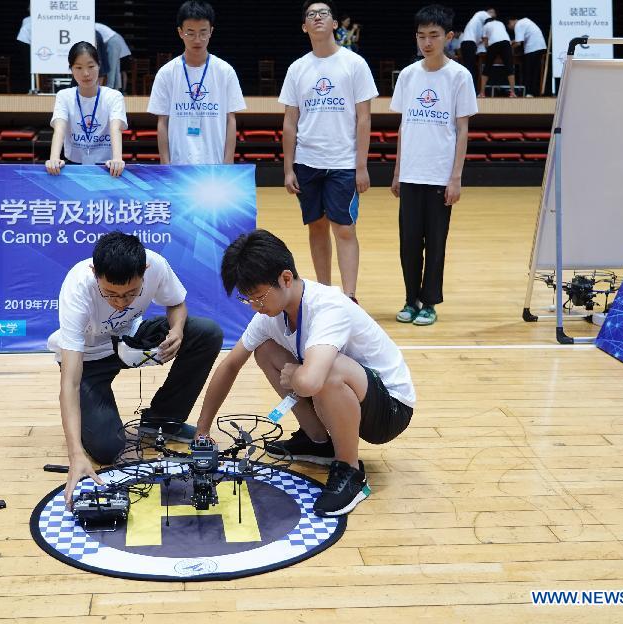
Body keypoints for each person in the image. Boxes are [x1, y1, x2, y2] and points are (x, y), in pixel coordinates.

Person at [195, 229, 415, 517]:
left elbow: (310, 382)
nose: (255, 307)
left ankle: (350, 471)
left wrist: (296, 375)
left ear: (286, 278)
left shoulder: (327, 306)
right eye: (247, 299)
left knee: (328, 370)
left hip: (389, 410)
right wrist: (202, 429)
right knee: (265, 350)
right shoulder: (270, 314)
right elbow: (230, 365)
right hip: (348, 397)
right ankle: (318, 441)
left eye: (259, 297)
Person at [49, 231, 224, 506]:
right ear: (95, 273)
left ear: (145, 270)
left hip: (131, 339)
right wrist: (75, 455)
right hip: (89, 356)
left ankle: (163, 421)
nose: (121, 302)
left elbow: (176, 303)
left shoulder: (157, 265)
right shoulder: (77, 288)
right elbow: (69, 383)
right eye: (110, 294)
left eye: (131, 293)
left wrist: (177, 330)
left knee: (206, 332)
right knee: (108, 449)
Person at [280, 1, 378, 304]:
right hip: (307, 162)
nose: (317, 17)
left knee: (344, 228)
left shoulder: (354, 64)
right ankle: (324, 293)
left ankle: (349, 297)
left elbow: (364, 118)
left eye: (323, 13)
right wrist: (288, 168)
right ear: (304, 27)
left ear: (335, 23)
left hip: (343, 163)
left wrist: (361, 166)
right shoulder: (297, 68)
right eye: (311, 15)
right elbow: (290, 122)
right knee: (317, 227)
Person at [390, 4, 478, 326]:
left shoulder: (459, 76)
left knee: (436, 243)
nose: (427, 42)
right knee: (409, 243)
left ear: (448, 37)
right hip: (411, 173)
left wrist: (456, 178)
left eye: (434, 35)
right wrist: (397, 172)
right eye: (422, 36)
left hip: (440, 174)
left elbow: (462, 130)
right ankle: (410, 298)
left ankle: (429, 302)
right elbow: (403, 126)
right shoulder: (408, 75)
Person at [147, 1, 246, 165]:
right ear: (180, 32)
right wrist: (166, 166)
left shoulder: (225, 72)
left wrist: (227, 165)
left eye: (203, 33)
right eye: (190, 33)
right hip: (178, 166)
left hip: (215, 166)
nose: (197, 40)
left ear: (211, 31)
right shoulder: (166, 74)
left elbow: (231, 120)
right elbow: (162, 122)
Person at [46, 42, 127, 177]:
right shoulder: (64, 96)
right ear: (71, 69)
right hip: (73, 166)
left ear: (99, 66)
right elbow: (59, 127)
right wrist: (54, 158)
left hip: (107, 167)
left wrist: (117, 159)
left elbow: (116, 128)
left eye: (91, 66)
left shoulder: (114, 96)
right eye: (78, 67)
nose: (86, 73)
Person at [458, 8, 494, 94]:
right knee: (470, 68)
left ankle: (470, 90)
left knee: (471, 68)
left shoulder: (476, 21)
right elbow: (480, 37)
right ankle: (470, 90)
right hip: (469, 43)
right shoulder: (480, 16)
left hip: (468, 43)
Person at [508, 17, 547, 97]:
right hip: (540, 46)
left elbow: (518, 43)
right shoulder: (525, 21)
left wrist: (508, 48)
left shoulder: (518, 25)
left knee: (529, 71)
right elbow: (521, 38)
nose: (511, 28)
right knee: (535, 71)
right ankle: (535, 92)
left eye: (509, 26)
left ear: (511, 22)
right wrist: (512, 41)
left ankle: (529, 92)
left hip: (532, 48)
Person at [479, 17, 517, 97]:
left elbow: (485, 43)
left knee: (487, 68)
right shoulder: (500, 23)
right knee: (509, 68)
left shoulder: (486, 26)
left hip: (494, 44)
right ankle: (513, 93)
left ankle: (482, 93)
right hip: (506, 43)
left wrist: (488, 51)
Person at [95, 22, 132, 91]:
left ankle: (110, 87)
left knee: (112, 66)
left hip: (113, 41)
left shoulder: (93, 27)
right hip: (115, 39)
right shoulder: (95, 26)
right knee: (116, 67)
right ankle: (117, 88)